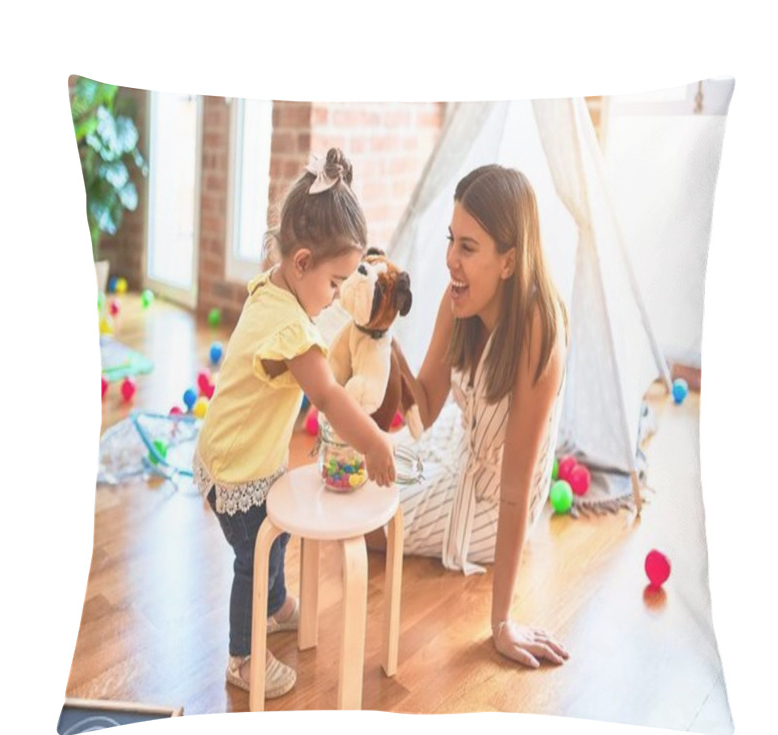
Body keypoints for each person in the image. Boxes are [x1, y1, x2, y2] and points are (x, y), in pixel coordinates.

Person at [193, 148, 396, 699]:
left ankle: (278, 606)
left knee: (273, 536)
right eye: (334, 283)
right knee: (253, 557)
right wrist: (375, 441)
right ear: (302, 262)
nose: (335, 297)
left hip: (232, 452)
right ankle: (242, 655)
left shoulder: (272, 287)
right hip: (239, 469)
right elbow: (328, 396)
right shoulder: (292, 332)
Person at [390, 164, 571, 669]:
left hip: (497, 497)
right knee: (358, 473)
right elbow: (424, 405)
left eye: (467, 248)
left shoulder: (539, 329)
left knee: (370, 523)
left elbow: (514, 490)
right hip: (458, 441)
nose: (451, 259)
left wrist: (501, 625)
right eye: (452, 240)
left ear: (509, 261)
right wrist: (382, 345)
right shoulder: (460, 301)